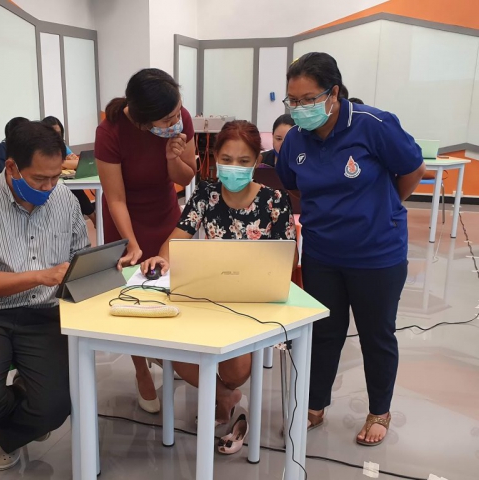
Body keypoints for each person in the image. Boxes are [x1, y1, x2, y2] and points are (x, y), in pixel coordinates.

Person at [276, 52, 425, 446]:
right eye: (293, 101)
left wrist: (385, 207)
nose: (300, 108)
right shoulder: (295, 139)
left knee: (377, 334)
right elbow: (293, 186)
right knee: (324, 332)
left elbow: (413, 169)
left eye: (308, 99)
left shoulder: (373, 125)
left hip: (377, 254)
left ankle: (379, 410)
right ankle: (314, 404)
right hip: (322, 255)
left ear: (334, 93)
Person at [0, 121, 90, 470]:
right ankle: (24, 400)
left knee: (55, 407)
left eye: (56, 177)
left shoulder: (64, 200)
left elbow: (79, 257)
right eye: (40, 179)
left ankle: (11, 429)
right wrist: (41, 275)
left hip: (45, 313)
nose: (50, 187)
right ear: (11, 167)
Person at [140, 120, 297, 433]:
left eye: (243, 161)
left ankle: (225, 391)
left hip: (254, 303)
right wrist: (161, 257)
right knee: (169, 350)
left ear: (257, 161)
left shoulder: (275, 201)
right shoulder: (206, 194)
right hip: (208, 297)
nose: (234, 167)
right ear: (214, 157)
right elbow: (177, 238)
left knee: (236, 371)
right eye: (226, 159)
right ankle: (224, 396)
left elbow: (288, 261)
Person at [95, 68, 197, 413]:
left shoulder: (180, 118)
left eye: (177, 112)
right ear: (142, 122)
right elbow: (115, 198)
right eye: (167, 119)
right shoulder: (110, 131)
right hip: (126, 220)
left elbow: (186, 176)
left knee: (170, 286)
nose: (176, 121)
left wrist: (172, 157)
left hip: (165, 215)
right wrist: (131, 243)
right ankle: (141, 368)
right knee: (133, 295)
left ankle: (171, 353)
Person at [41, 116, 97, 227]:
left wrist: (60, 163)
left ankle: (93, 219)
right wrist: (65, 162)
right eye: (52, 133)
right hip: (47, 185)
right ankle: (94, 218)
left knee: (76, 191)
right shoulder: (40, 148)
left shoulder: (62, 146)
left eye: (58, 133)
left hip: (63, 182)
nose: (56, 137)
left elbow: (77, 163)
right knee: (76, 192)